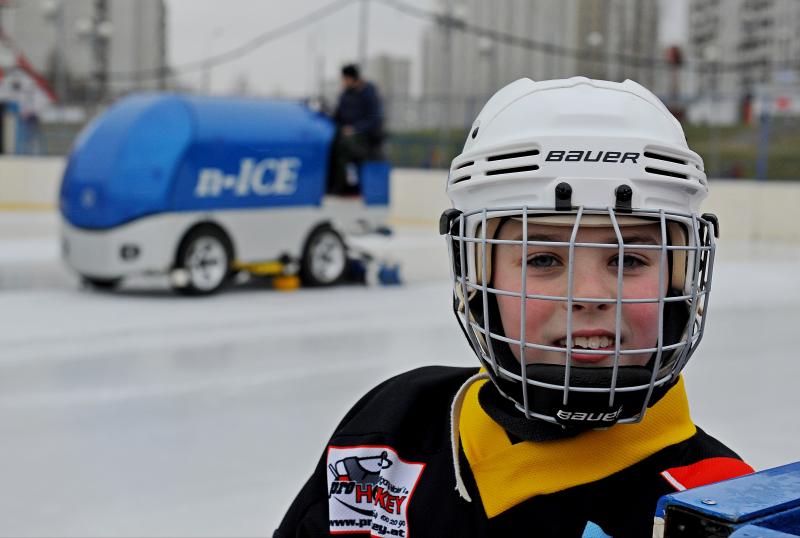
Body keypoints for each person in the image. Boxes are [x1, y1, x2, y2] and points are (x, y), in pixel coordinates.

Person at [276, 77, 753, 537]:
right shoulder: (390, 430)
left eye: (628, 259)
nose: (588, 294)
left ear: (678, 282)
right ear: (479, 278)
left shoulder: (718, 504)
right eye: (543, 258)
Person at [329, 64, 385, 195]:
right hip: (347, 134)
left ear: (351, 79)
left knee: (346, 146)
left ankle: (350, 186)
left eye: (344, 79)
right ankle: (336, 185)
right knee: (334, 143)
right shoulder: (345, 95)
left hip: (366, 137)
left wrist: (355, 129)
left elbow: (374, 120)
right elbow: (338, 116)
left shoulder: (369, 93)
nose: (342, 83)